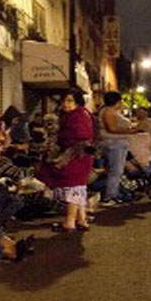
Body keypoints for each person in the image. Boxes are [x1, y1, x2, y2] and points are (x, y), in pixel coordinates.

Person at [37, 90, 95, 231]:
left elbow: (80, 135)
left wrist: (61, 141)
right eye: (64, 101)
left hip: (75, 156)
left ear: (78, 102)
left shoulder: (78, 115)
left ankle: (69, 222)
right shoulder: (82, 113)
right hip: (81, 156)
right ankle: (81, 220)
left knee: (73, 187)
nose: (65, 104)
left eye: (69, 101)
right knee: (79, 188)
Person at [93, 91, 133, 206]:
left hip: (114, 143)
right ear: (117, 101)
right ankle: (110, 197)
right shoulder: (109, 111)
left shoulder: (109, 111)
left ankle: (113, 194)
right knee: (115, 171)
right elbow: (112, 128)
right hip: (114, 143)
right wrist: (131, 131)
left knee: (114, 171)